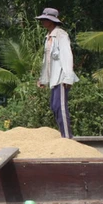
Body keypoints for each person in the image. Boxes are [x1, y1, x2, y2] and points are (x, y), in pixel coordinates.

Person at [35, 8, 79, 139]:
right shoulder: (48, 37)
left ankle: (67, 137)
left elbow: (67, 56)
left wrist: (68, 77)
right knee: (54, 106)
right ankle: (63, 134)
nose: (43, 22)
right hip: (53, 78)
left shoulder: (61, 35)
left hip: (61, 77)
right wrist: (43, 79)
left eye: (45, 19)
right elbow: (47, 61)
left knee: (60, 107)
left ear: (51, 21)